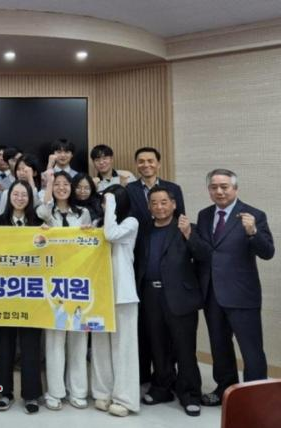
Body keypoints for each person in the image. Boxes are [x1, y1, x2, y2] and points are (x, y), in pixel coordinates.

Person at [191, 169, 274, 406]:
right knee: (220, 347)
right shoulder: (205, 215)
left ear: (235, 189)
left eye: (224, 187)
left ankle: (255, 398)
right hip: (212, 293)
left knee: (251, 350)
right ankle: (224, 389)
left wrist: (253, 232)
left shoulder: (254, 215)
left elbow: (268, 252)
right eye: (214, 187)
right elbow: (206, 252)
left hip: (242, 294)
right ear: (209, 190)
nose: (219, 191)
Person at [134, 186, 204, 416]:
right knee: (158, 346)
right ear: (149, 207)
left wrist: (189, 234)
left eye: (164, 202)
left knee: (185, 348)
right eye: (154, 203)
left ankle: (190, 393)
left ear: (174, 204)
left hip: (179, 296)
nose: (159, 207)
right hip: (150, 296)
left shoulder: (187, 227)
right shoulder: (144, 230)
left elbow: (204, 256)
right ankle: (162, 387)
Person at [126, 146, 184, 385]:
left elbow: (180, 222)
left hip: (168, 261)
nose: (146, 165)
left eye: (150, 161)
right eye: (141, 161)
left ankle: (169, 375)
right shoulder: (129, 189)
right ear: (136, 165)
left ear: (158, 164)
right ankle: (146, 375)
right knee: (146, 326)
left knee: (170, 330)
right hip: (141, 258)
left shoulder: (173, 188)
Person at [37, 171, 92, 411]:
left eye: (65, 184)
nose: (61, 188)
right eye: (57, 184)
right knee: (55, 339)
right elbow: (43, 208)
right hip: (53, 284)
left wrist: (89, 232)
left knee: (78, 337)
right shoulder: (46, 213)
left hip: (79, 283)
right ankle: (55, 391)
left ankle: (78, 391)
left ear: (72, 188)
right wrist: (49, 182)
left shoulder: (83, 213)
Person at [0, 180, 43, 414]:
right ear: (9, 196)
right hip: (4, 292)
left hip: (31, 292)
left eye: (24, 194)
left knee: (31, 345)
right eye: (16, 194)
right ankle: (3, 393)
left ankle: (31, 395)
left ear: (30, 198)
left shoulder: (38, 223)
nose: (20, 198)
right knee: (5, 344)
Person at [90, 184, 140, 417]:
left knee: (124, 348)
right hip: (99, 292)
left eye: (107, 201)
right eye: (103, 202)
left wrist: (110, 201)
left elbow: (111, 235)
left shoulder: (131, 222)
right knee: (100, 345)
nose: (103, 205)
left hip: (123, 293)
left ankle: (125, 398)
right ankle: (103, 392)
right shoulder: (99, 223)